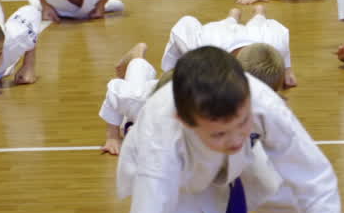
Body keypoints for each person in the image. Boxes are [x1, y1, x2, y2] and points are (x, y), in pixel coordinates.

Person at [119, 46, 344, 213]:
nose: (235, 140)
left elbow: (315, 180)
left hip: (246, 157)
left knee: (281, 196)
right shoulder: (160, 139)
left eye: (243, 122)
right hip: (182, 171)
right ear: (183, 121)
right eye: (220, 132)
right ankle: (135, 62)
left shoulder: (263, 103)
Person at [98, 37, 283, 155]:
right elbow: (115, 90)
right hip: (149, 93)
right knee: (136, 75)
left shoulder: (225, 98)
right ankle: (137, 54)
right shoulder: (137, 100)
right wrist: (112, 136)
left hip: (179, 89)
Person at [161, 5, 295, 87]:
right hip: (220, 32)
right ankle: (233, 15)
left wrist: (288, 70)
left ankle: (258, 11)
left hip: (254, 34)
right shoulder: (204, 47)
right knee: (228, 23)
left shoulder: (274, 42)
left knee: (259, 21)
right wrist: (170, 71)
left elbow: (282, 34)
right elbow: (185, 23)